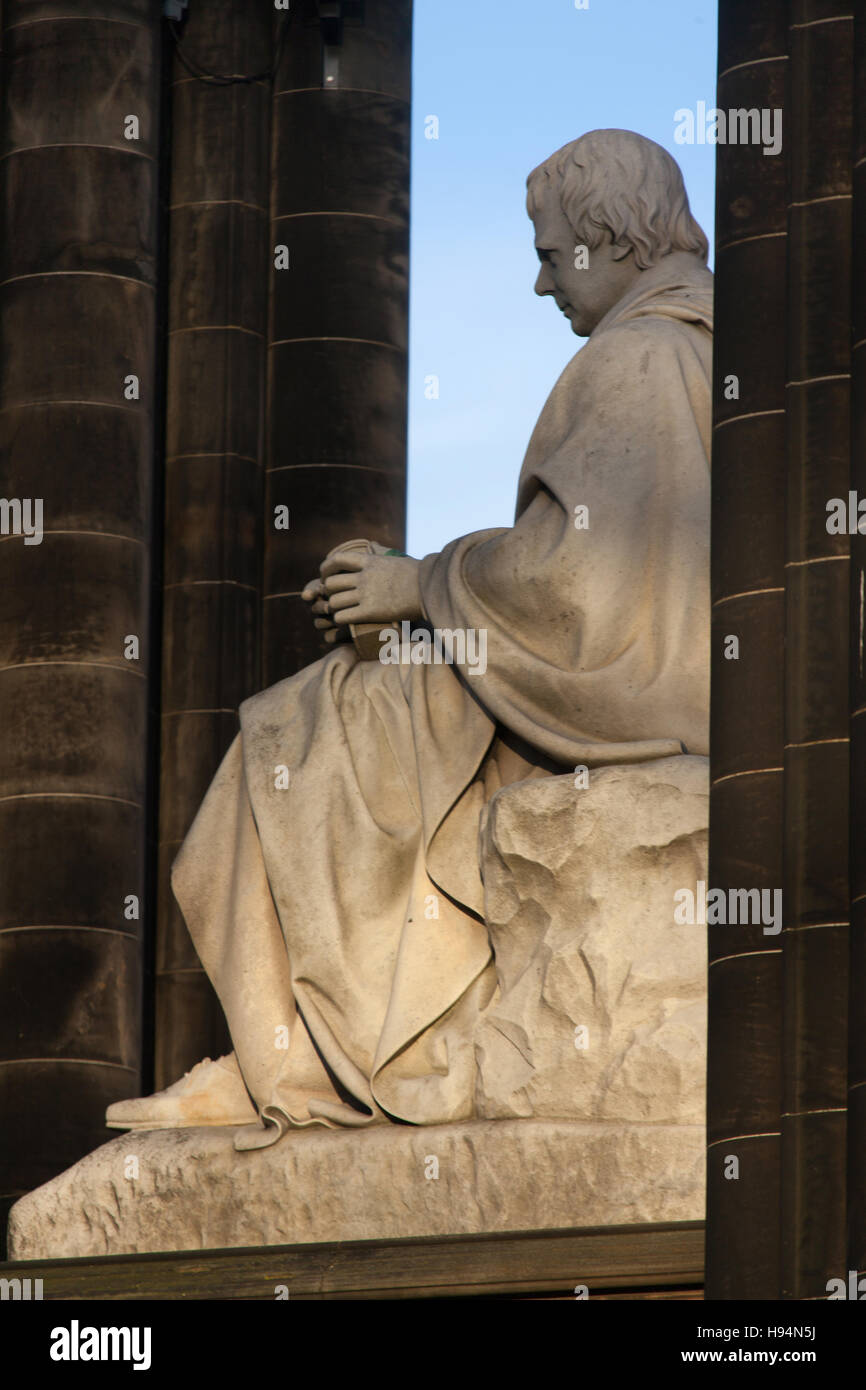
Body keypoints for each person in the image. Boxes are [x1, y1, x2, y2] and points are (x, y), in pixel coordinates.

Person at [107, 129, 714, 1149]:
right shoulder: (693, 345)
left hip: (618, 694)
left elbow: (573, 588)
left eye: (548, 252)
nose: (536, 283)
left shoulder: (637, 359)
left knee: (298, 725)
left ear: (610, 237)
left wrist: (412, 582)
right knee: (341, 704)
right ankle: (286, 1048)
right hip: (624, 681)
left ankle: (289, 1059)